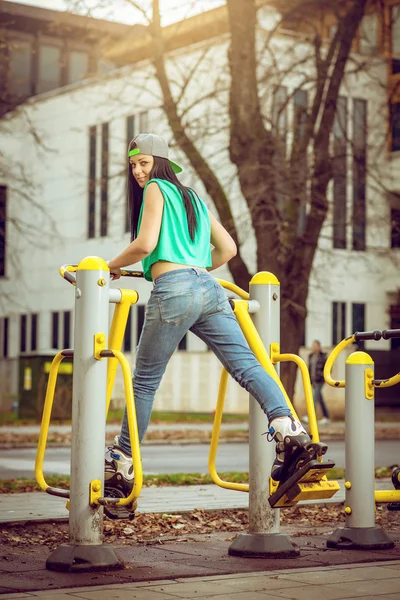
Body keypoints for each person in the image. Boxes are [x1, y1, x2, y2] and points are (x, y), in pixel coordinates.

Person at [104, 133, 327, 508]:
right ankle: (290, 432)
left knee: (142, 384)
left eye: (144, 162)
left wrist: (108, 267)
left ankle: (122, 466)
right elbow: (228, 249)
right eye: (133, 165)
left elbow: (145, 245)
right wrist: (191, 266)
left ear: (160, 163)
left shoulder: (157, 189)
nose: (139, 172)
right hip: (208, 289)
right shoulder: (192, 197)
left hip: (173, 291)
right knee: (248, 367)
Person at [307, 340, 330, 425]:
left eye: (315, 345)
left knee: (315, 398)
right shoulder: (310, 356)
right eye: (313, 345)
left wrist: (323, 376)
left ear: (319, 346)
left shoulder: (323, 356)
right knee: (320, 399)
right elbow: (309, 368)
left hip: (320, 381)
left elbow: (328, 368)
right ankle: (326, 417)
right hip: (313, 380)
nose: (314, 347)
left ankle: (310, 417)